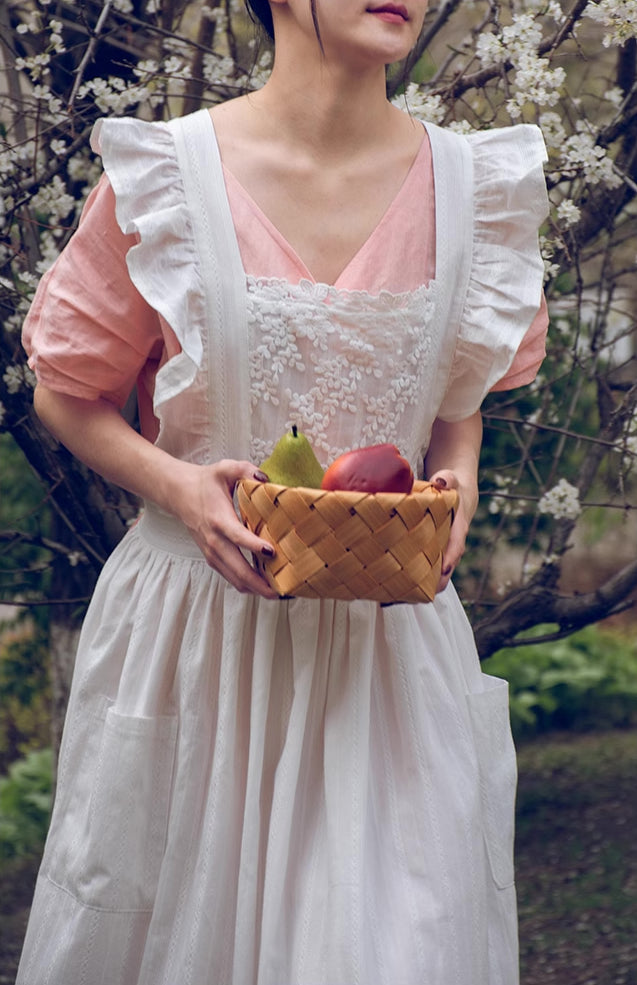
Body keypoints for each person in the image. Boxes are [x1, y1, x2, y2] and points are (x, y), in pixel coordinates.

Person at [17, 1, 549, 983]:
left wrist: (458, 480)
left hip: (388, 651)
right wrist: (179, 486)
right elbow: (67, 393)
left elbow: (459, 401)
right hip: (195, 636)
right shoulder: (168, 179)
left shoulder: (479, 190)